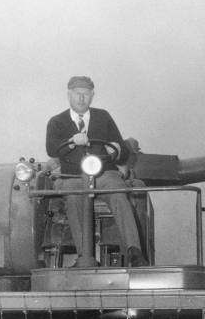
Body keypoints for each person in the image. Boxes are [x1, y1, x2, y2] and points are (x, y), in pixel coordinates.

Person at [45, 76, 148, 267]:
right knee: (74, 197)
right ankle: (85, 257)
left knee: (118, 193)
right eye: (77, 94)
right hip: (73, 176)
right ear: (69, 95)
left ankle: (134, 251)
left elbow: (123, 151)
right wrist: (71, 142)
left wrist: (116, 149)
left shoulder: (103, 117)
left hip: (104, 174)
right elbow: (51, 149)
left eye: (86, 94)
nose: (81, 98)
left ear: (92, 96)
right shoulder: (56, 122)